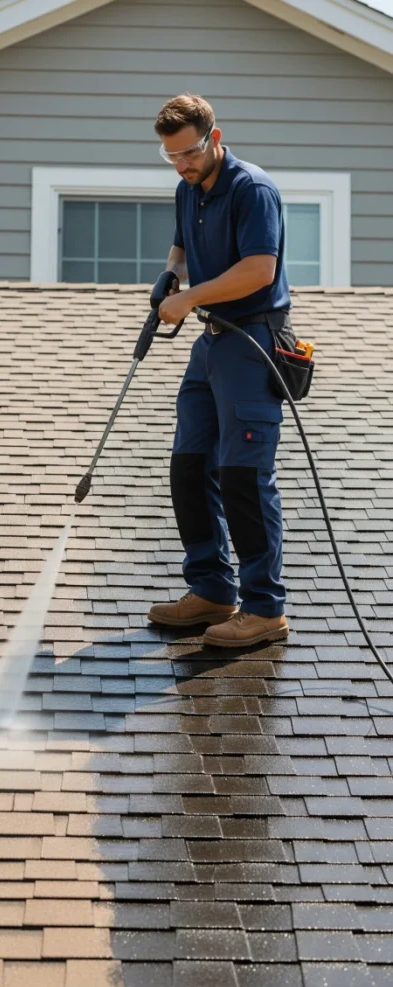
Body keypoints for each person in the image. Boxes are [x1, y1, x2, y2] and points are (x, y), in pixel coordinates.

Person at [147, 93, 293, 648]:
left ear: (214, 135)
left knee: (243, 475)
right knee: (188, 464)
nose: (181, 165)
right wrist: (170, 277)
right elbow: (181, 248)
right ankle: (211, 589)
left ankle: (264, 609)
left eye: (188, 153)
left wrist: (189, 300)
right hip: (210, 342)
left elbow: (259, 269)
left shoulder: (252, 189)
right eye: (170, 157)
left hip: (252, 338)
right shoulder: (188, 188)